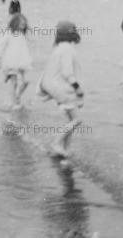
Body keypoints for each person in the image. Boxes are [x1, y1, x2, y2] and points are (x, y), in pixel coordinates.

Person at [35, 21, 83, 158]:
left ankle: (65, 151)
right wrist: (78, 88)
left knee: (70, 119)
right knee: (77, 120)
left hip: (51, 85)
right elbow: (68, 73)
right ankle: (56, 143)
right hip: (59, 87)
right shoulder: (67, 48)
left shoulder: (59, 47)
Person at [0, 14, 32, 109]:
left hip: (22, 61)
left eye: (24, 24)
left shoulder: (22, 33)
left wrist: (29, 29)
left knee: (26, 81)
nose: (23, 25)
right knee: (14, 83)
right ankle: (14, 103)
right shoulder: (9, 33)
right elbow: (0, 45)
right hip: (11, 61)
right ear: (16, 23)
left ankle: (18, 96)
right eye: (21, 24)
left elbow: (32, 39)